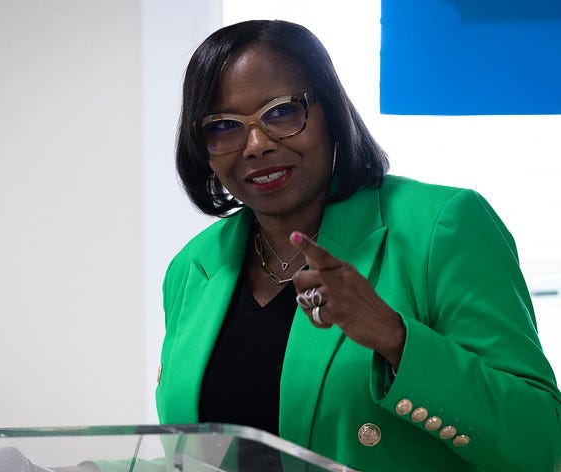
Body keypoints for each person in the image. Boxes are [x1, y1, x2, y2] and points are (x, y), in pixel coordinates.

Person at [155, 19, 561, 471]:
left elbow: (542, 441)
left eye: (281, 112)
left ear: (330, 109)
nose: (256, 145)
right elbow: (198, 456)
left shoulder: (442, 228)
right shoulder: (192, 267)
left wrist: (396, 338)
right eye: (225, 125)